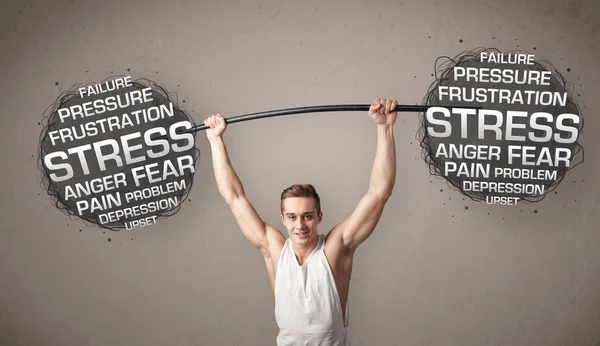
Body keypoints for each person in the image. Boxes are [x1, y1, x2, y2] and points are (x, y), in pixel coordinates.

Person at [204, 97, 398, 346]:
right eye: (293, 217)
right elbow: (234, 197)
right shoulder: (274, 249)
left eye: (307, 216)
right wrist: (215, 140)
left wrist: (385, 128)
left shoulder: (336, 247)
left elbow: (379, 192)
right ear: (282, 219)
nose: (300, 226)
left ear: (319, 216)